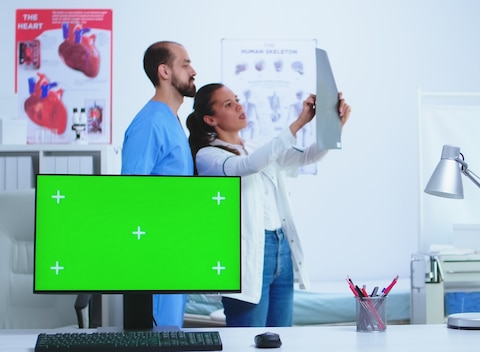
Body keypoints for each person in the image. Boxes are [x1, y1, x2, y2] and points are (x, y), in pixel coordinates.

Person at [186, 83, 351, 327]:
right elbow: (246, 166)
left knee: (281, 337)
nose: (239, 106)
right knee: (247, 339)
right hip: (247, 253)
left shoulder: (255, 147)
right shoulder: (208, 156)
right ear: (211, 119)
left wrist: (333, 126)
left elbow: (308, 156)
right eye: (228, 105)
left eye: (237, 99)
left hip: (280, 246)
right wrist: (298, 123)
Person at [121, 40, 197, 328]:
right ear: (164, 71)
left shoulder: (172, 121)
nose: (194, 71)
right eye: (186, 63)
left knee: (173, 333)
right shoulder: (150, 123)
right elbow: (131, 194)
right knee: (160, 338)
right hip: (154, 256)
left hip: (173, 251)